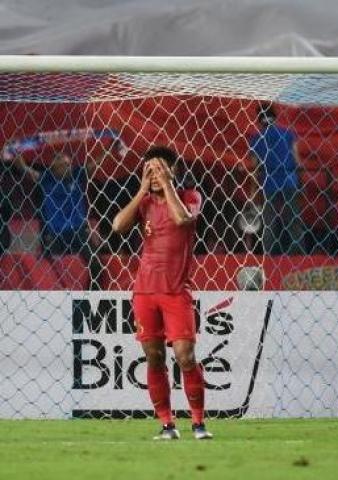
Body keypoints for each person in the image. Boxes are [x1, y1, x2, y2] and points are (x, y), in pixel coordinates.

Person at [112, 146, 212, 441]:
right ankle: (168, 425)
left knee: (185, 355)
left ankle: (198, 423)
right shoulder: (143, 203)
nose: (154, 176)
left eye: (159, 170)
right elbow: (117, 225)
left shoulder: (190, 196)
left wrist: (166, 183)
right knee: (154, 357)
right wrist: (143, 188)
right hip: (144, 293)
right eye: (149, 170)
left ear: (173, 171)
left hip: (176, 292)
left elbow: (182, 219)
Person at [12, 150, 102, 289]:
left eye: (68, 164)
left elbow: (95, 163)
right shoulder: (46, 178)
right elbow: (26, 171)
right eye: (64, 165)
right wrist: (18, 157)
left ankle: (90, 297)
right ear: (54, 167)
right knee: (47, 268)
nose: (68, 167)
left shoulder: (78, 174)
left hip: (78, 232)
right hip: (55, 235)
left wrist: (107, 149)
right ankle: (54, 298)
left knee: (96, 265)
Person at [249, 102, 307, 255]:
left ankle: (269, 256)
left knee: (269, 222)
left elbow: (254, 168)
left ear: (259, 119)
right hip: (289, 180)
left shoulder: (256, 138)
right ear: (275, 117)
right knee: (293, 219)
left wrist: (253, 190)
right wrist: (302, 181)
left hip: (269, 183)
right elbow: (297, 160)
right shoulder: (288, 134)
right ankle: (298, 254)